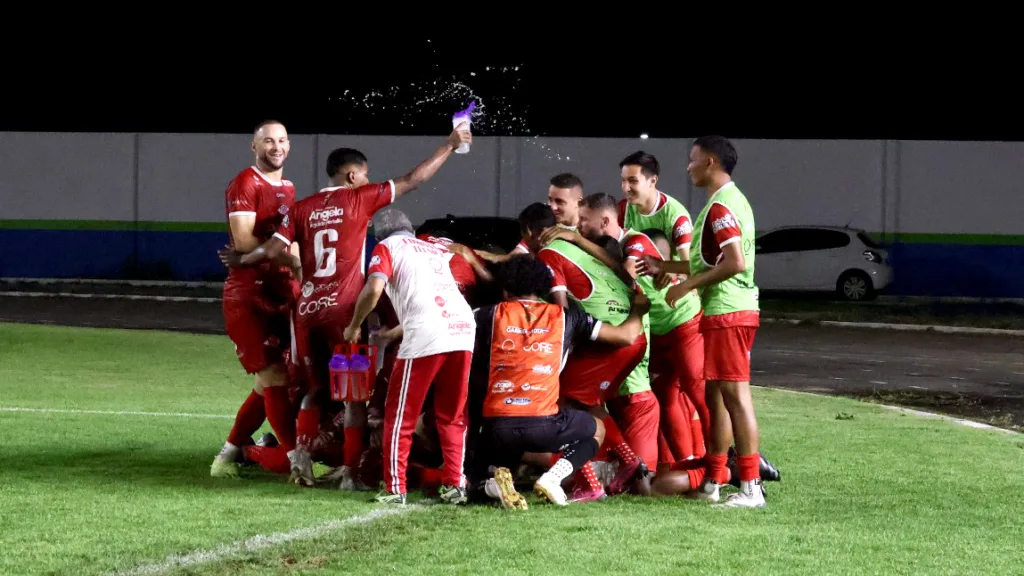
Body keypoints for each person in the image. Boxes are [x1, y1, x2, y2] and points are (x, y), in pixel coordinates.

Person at [218, 124, 473, 487]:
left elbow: (274, 249)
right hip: (343, 312)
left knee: (313, 390)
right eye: (365, 175)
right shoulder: (360, 197)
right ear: (353, 176)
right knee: (353, 397)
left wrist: (243, 261)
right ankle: (351, 473)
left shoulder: (301, 207)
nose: (368, 180)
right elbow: (414, 179)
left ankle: (300, 461)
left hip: (307, 311)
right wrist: (449, 145)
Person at [470, 254, 650, 508]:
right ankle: (554, 478)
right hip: (545, 425)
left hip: (496, 427)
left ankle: (490, 485)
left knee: (479, 480)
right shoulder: (567, 317)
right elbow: (626, 336)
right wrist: (638, 310)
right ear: (543, 288)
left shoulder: (485, 315)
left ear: (505, 288)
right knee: (596, 428)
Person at [554, 193, 708, 466]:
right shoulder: (603, 243)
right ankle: (683, 464)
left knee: (697, 394)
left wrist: (577, 241)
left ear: (604, 221)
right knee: (667, 397)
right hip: (655, 332)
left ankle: (723, 464)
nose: (579, 227)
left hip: (682, 322)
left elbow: (626, 275)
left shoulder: (634, 242)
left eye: (584, 221)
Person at [344, 208, 476, 505]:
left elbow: (374, 288)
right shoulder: (431, 247)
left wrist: (353, 325)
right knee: (453, 416)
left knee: (400, 414)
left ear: (379, 236)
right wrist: (393, 334)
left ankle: (395, 488)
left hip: (427, 335)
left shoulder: (387, 247)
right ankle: (456, 484)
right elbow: (434, 298)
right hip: (463, 328)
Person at [521, 203, 651, 500]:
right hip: (633, 333)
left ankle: (589, 482)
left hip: (614, 339)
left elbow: (561, 310)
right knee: (587, 403)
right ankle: (629, 462)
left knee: (561, 401)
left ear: (529, 232)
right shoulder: (576, 247)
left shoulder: (548, 253)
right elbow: (621, 274)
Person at [665, 135, 764, 508]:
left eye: (692, 160)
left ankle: (751, 487)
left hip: (729, 312)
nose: (688, 166)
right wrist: (667, 267)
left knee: (736, 397)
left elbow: (735, 262)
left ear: (709, 162)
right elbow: (710, 261)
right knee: (716, 397)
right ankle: (714, 479)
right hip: (728, 311)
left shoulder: (721, 206)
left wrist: (684, 285)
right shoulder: (729, 201)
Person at [211, 120, 300, 479]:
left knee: (269, 382)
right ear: (254, 146)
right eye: (267, 141)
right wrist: (292, 259)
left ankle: (230, 454)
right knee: (274, 376)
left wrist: (296, 268)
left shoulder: (290, 187)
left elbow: (286, 238)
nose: (275, 147)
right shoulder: (245, 183)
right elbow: (245, 242)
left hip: (281, 292)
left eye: (281, 140)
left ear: (289, 145)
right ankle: (296, 458)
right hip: (250, 294)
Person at [617, 151, 695, 265]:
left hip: (673, 279)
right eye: (623, 180)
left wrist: (668, 271)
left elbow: (689, 267)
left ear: (652, 181)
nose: (625, 188)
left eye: (633, 181)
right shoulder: (622, 208)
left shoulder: (676, 215)